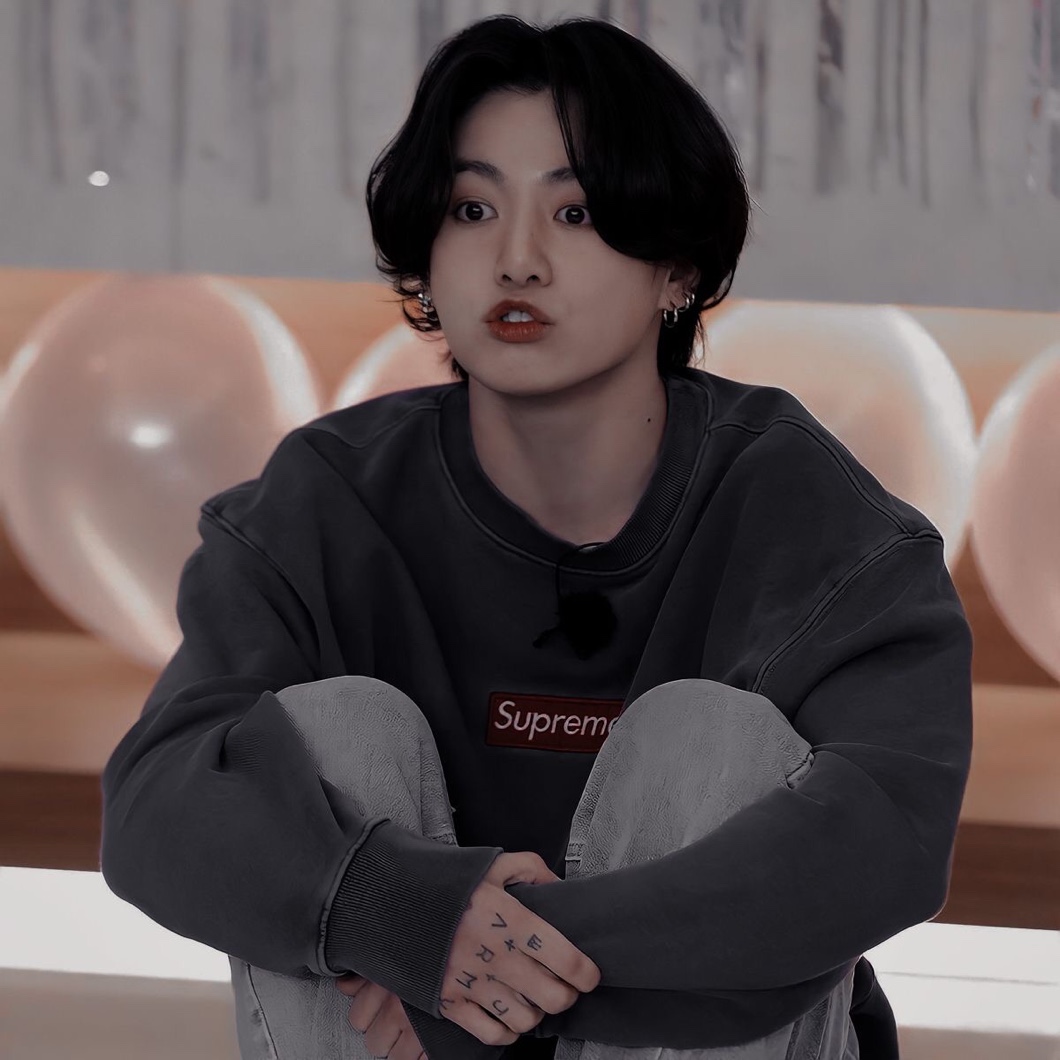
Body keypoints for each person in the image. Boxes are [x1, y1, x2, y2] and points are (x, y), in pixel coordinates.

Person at [99, 14, 972, 1060]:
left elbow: (885, 832)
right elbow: (157, 799)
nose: (516, 259)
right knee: (330, 731)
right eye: (472, 209)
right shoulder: (325, 499)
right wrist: (392, 908)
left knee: (712, 740)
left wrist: (485, 953)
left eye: (576, 212)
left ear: (677, 270)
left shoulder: (807, 514)